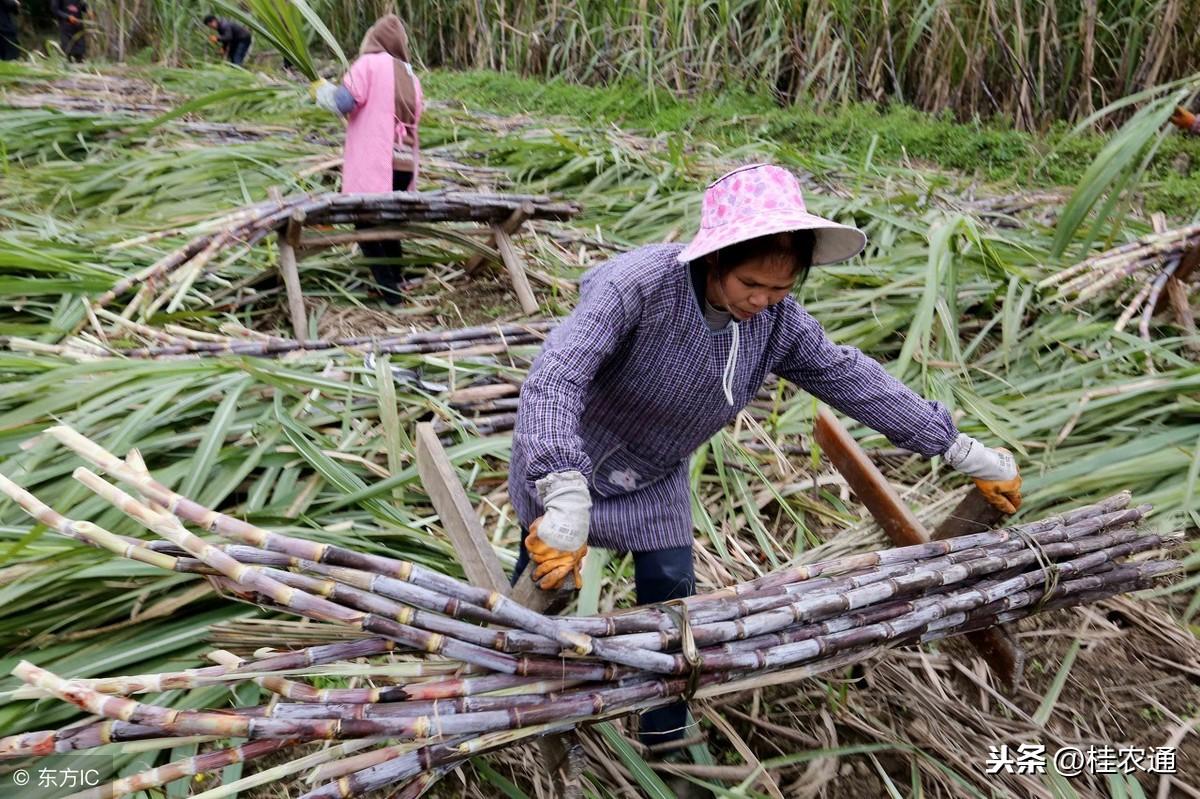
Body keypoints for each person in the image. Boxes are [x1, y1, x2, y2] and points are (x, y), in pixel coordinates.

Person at [508, 163, 1023, 755]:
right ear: (715, 258)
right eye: (751, 283)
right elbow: (556, 376)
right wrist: (560, 484)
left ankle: (663, 732)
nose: (763, 301)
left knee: (674, 595)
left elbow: (851, 379)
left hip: (654, 473)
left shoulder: (776, 323)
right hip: (571, 457)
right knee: (544, 578)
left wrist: (959, 448)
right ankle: (533, 692)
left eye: (781, 289)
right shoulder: (639, 286)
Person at [311, 14, 423, 305]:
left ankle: (391, 292)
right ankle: (398, 279)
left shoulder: (369, 65)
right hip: (403, 164)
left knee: (366, 223)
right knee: (389, 220)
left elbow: (344, 102)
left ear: (374, 38)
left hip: (376, 161)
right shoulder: (410, 74)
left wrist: (321, 91)